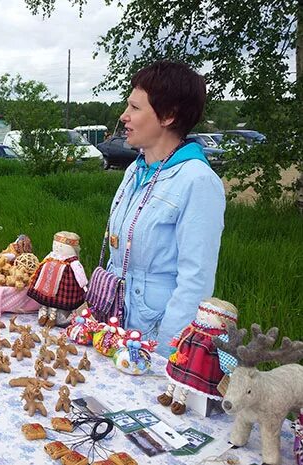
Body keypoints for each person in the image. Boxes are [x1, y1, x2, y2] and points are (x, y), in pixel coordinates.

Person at [104, 60, 225, 357]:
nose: (124, 116)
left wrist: (166, 354)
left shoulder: (197, 181)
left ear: (168, 116)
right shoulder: (135, 169)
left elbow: (195, 283)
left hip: (155, 338)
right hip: (114, 327)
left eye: (135, 107)